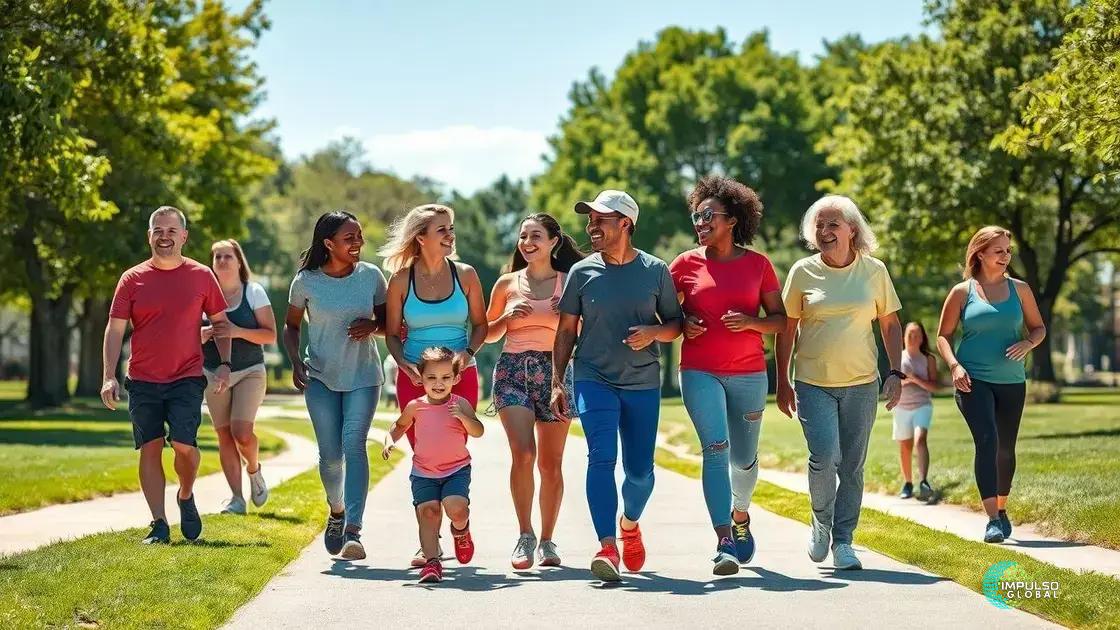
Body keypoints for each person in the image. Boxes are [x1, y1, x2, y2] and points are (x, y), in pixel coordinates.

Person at [551, 190, 684, 582]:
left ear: (625, 223)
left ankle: (629, 524)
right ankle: (607, 546)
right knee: (601, 457)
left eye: (600, 220)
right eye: (590, 219)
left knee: (641, 472)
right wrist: (559, 382)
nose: (591, 226)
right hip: (593, 378)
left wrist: (654, 332)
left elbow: (676, 324)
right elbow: (564, 332)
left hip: (642, 382)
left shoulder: (656, 270)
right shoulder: (581, 272)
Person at [776, 195, 903, 571]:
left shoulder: (874, 271)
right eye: (820, 225)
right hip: (813, 382)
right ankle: (820, 520)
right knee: (824, 457)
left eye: (833, 224)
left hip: (862, 382)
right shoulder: (802, 271)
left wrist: (896, 372)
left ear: (852, 230)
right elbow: (786, 329)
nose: (825, 231)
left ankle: (844, 541)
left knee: (852, 465)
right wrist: (782, 381)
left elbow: (890, 324)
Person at [669, 176, 785, 575]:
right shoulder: (684, 264)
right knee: (715, 450)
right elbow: (661, 314)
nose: (700, 222)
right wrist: (683, 320)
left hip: (750, 375)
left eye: (708, 215)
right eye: (696, 216)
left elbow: (780, 321)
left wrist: (752, 321)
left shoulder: (758, 266)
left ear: (733, 220)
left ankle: (740, 514)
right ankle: (723, 542)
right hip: (699, 370)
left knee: (744, 460)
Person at [101, 206, 232, 544]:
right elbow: (115, 329)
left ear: (184, 237)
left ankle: (186, 494)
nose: (164, 236)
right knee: (150, 446)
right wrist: (108, 375)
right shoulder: (132, 279)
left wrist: (225, 363)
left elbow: (220, 323)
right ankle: (159, 523)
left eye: (172, 231)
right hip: (143, 378)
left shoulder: (202, 275)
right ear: (149, 236)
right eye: (158, 230)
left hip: (186, 376)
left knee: (185, 447)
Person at [380, 203, 488, 567]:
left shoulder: (467, 275)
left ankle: (460, 522)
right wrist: (405, 365)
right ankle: (429, 542)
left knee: (453, 447)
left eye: (451, 228)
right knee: (423, 456)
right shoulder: (400, 281)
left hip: (460, 375)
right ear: (420, 237)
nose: (450, 235)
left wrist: (467, 354)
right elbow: (392, 335)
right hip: (414, 377)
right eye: (442, 229)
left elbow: (481, 325)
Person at [283, 211, 388, 561]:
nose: (358, 243)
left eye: (359, 236)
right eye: (349, 238)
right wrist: (296, 362)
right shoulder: (306, 281)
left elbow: (389, 323)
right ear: (328, 244)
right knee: (330, 457)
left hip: (363, 375)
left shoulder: (371, 276)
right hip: (321, 377)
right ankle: (338, 510)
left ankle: (354, 530)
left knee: (354, 444)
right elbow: (292, 326)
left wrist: (372, 326)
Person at [485, 212, 584, 569]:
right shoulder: (506, 284)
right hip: (513, 370)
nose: (527, 243)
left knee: (551, 463)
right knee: (523, 454)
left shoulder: (571, 282)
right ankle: (524, 536)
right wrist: (506, 316)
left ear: (554, 241)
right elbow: (487, 334)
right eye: (523, 236)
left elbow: (583, 334)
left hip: (556, 374)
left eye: (536, 236)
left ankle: (547, 541)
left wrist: (571, 315)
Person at [935, 226, 1045, 543]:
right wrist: (954, 366)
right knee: (987, 440)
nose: (1005, 256)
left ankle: (1003, 507)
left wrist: (1028, 344)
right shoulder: (961, 292)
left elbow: (1038, 328)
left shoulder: (1020, 289)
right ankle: (993, 520)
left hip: (1012, 380)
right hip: (972, 379)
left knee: (1005, 447)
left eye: (1008, 250)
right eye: (999, 250)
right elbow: (944, 335)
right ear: (980, 253)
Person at [382, 346, 484, 584]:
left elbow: (478, 431)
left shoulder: (461, 404)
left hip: (456, 470)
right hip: (424, 472)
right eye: (432, 378)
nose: (439, 383)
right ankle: (432, 563)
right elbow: (399, 426)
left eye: (446, 378)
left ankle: (461, 530)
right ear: (421, 378)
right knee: (428, 512)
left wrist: (464, 417)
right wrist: (389, 440)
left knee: (456, 508)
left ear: (456, 378)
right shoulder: (415, 406)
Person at [201, 239, 276, 515]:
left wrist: (236, 330)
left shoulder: (253, 292)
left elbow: (270, 335)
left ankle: (254, 470)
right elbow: (185, 335)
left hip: (250, 372)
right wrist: (199, 335)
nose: (221, 261)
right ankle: (236, 499)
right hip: (212, 372)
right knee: (223, 435)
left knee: (241, 433)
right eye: (217, 256)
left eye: (227, 256)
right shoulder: (202, 296)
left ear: (238, 261)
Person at [894, 321, 938, 502]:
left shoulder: (929, 359)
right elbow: (893, 383)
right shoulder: (897, 357)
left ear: (922, 338)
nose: (913, 337)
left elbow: (933, 386)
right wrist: (905, 381)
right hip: (902, 406)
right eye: (910, 334)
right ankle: (908, 483)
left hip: (922, 405)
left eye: (917, 334)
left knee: (920, 439)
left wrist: (915, 379)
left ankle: (924, 481)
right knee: (905, 446)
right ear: (904, 337)